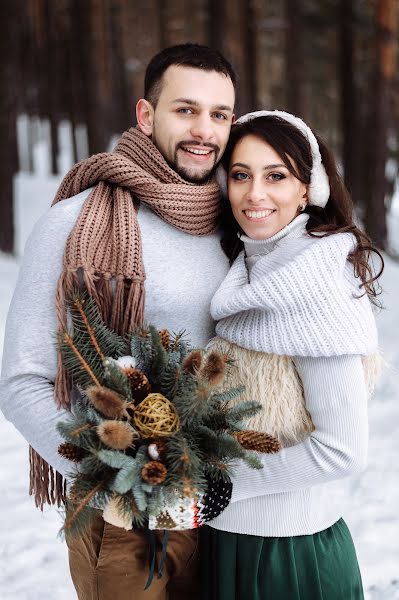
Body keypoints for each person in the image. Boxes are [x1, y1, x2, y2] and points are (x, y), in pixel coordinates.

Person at [0, 43, 236, 599]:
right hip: (122, 523)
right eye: (185, 109)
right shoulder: (74, 223)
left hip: (227, 509)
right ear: (146, 115)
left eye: (220, 114)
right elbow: (21, 380)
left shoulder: (239, 221)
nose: (205, 129)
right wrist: (115, 480)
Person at [200, 110, 383, 599]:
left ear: (309, 189)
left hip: (290, 555)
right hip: (227, 541)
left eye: (276, 176)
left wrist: (215, 485)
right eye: (241, 175)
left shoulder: (319, 281)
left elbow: (343, 449)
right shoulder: (245, 272)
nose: (255, 194)